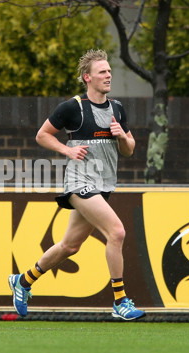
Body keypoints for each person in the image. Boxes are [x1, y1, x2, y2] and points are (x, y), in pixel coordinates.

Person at [8, 49, 145, 320]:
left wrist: (121, 137)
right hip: (80, 182)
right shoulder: (73, 107)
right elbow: (42, 135)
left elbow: (129, 150)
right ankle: (120, 302)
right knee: (116, 232)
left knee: (70, 246)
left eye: (109, 71)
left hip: (103, 185)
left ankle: (23, 281)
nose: (108, 75)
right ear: (87, 77)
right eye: (102, 72)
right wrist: (67, 150)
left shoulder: (117, 108)